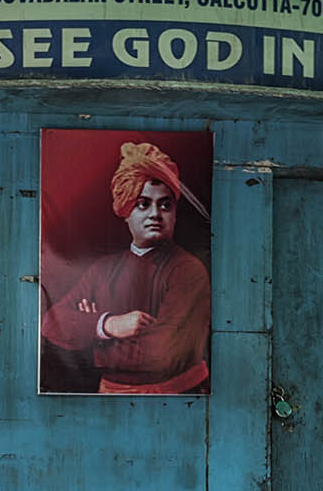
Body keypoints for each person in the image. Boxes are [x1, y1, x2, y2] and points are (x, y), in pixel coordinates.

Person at [41, 141, 211, 394]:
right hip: (109, 396)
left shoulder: (188, 270)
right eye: (143, 204)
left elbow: (161, 355)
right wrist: (109, 324)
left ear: (175, 214)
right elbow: (51, 324)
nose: (155, 213)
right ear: (125, 210)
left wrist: (91, 338)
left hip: (177, 399)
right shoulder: (102, 269)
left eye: (165, 205)